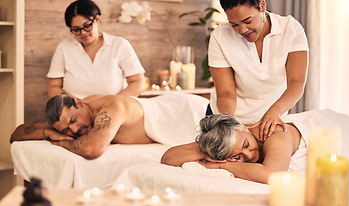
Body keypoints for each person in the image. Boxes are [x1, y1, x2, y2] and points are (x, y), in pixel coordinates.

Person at [208, 0, 309, 142]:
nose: (242, 30)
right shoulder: (220, 36)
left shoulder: (290, 29)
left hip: (271, 121)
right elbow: (225, 93)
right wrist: (232, 125)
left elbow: (296, 82)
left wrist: (275, 112)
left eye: (247, 21)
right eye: (234, 24)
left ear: (262, 5)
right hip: (228, 118)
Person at [10, 93, 209, 160]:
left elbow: (92, 149)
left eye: (72, 122)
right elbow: (17, 133)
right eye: (65, 130)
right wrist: (48, 131)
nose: (73, 131)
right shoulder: (72, 115)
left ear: (78, 102)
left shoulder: (110, 108)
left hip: (191, 114)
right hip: (168, 106)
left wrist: (60, 141)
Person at [161, 113, 301, 184]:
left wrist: (223, 166)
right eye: (237, 157)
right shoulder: (226, 139)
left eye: (246, 145)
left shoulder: (275, 134)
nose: (247, 155)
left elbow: (272, 175)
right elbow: (169, 157)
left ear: (245, 128)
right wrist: (208, 150)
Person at [47, 0, 145, 99]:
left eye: (87, 26)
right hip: (75, 110)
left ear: (97, 20)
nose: (83, 33)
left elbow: (138, 82)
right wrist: (75, 105)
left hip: (113, 108)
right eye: (76, 29)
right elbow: (54, 86)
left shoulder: (119, 45)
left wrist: (112, 103)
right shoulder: (64, 48)